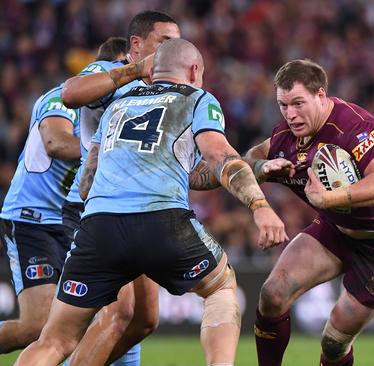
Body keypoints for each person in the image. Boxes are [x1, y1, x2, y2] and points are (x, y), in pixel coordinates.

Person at [14, 37, 288, 366]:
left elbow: (86, 184)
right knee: (221, 288)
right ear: (194, 70)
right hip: (163, 221)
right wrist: (260, 207)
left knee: (55, 339)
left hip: (99, 227)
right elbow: (220, 156)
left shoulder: (116, 106)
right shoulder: (198, 99)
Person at [245, 59, 374, 366]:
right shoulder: (288, 135)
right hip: (336, 230)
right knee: (273, 293)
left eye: (298, 103)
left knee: (333, 343)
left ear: (321, 96)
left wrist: (329, 198)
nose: (290, 114)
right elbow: (251, 157)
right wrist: (262, 167)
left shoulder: (353, 126)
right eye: (283, 105)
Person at [61, 11, 180, 365]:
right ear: (137, 45)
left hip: (138, 210)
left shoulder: (160, 88)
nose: (172, 50)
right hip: (95, 208)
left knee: (145, 320)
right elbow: (70, 94)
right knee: (119, 313)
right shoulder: (108, 72)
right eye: (164, 42)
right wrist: (130, 71)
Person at [0, 84, 81, 353]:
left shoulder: (113, 112)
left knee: (116, 313)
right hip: (32, 221)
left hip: (74, 223)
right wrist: (107, 148)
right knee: (37, 327)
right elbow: (55, 143)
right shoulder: (62, 100)